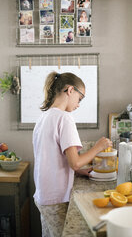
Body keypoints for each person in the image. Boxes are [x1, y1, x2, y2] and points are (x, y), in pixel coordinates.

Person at [32, 72, 112, 237]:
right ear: (70, 90)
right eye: (80, 98)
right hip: (56, 198)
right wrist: (99, 146)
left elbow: (51, 158)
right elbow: (75, 162)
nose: (79, 104)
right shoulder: (64, 118)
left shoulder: (43, 117)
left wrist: (78, 171)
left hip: (43, 194)